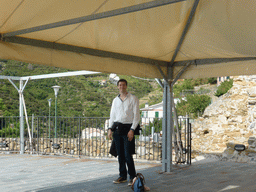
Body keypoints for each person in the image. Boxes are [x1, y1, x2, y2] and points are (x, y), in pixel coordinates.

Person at [108, 79, 140, 186]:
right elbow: (112, 116)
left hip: (128, 129)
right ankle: (122, 176)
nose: (121, 86)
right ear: (118, 86)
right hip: (117, 129)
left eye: (123, 85)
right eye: (120, 85)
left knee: (127, 154)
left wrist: (132, 130)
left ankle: (133, 177)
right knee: (120, 155)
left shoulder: (133, 98)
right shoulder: (115, 100)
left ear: (126, 86)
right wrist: (109, 129)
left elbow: (136, 116)